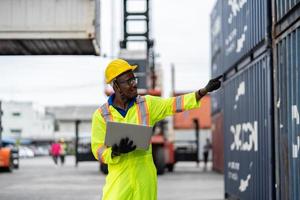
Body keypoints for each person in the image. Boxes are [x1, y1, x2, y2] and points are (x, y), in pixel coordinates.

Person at [91, 59, 222, 200]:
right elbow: (98, 149)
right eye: (128, 82)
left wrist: (203, 91)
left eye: (134, 80)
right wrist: (115, 151)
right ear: (116, 86)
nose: (134, 85)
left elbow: (173, 104)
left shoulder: (147, 104)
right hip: (118, 180)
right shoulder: (101, 115)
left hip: (145, 178)